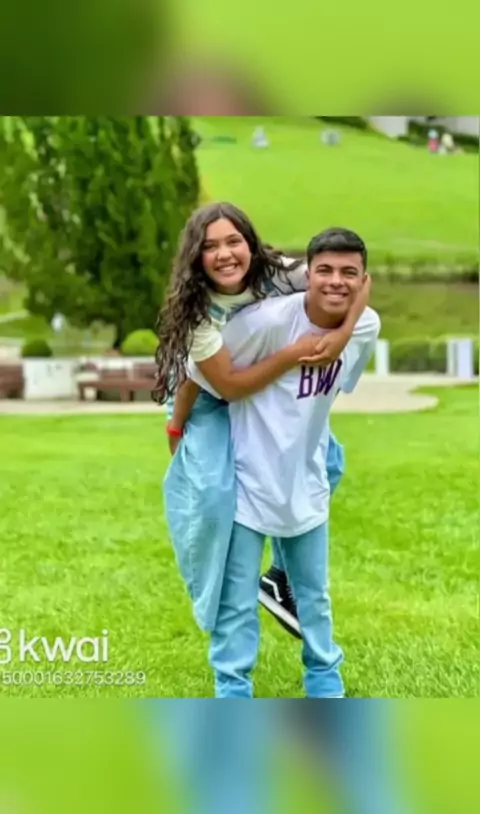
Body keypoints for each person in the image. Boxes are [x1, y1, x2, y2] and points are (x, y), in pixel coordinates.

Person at [154, 203, 371, 634]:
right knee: (215, 493)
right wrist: (177, 426)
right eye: (210, 246)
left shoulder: (279, 274)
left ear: (250, 244)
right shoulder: (198, 310)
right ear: (196, 255)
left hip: (261, 381)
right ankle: (212, 595)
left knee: (329, 463)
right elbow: (220, 385)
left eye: (233, 241)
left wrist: (341, 336)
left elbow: (353, 282)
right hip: (208, 398)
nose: (225, 254)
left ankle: (278, 578)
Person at [188, 227, 380, 697]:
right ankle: (232, 695)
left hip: (305, 479)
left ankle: (325, 687)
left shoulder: (366, 326)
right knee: (235, 606)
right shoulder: (263, 323)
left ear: (363, 280)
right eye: (325, 271)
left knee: (314, 598)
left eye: (349, 273)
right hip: (247, 483)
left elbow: (334, 383)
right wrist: (177, 426)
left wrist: (341, 335)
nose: (336, 281)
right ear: (306, 274)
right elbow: (202, 374)